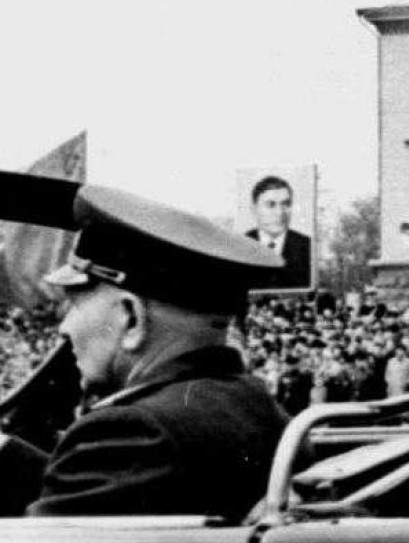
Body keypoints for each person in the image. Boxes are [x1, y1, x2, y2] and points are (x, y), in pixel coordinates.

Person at [0, 171, 289, 518]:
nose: (65, 326)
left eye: (74, 306)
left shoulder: (135, 431)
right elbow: (99, 487)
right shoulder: (254, 403)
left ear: (131, 317)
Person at [244, 175, 312, 291]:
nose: (280, 213)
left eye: (286, 204)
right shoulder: (241, 246)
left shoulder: (307, 247)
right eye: (271, 205)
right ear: (254, 209)